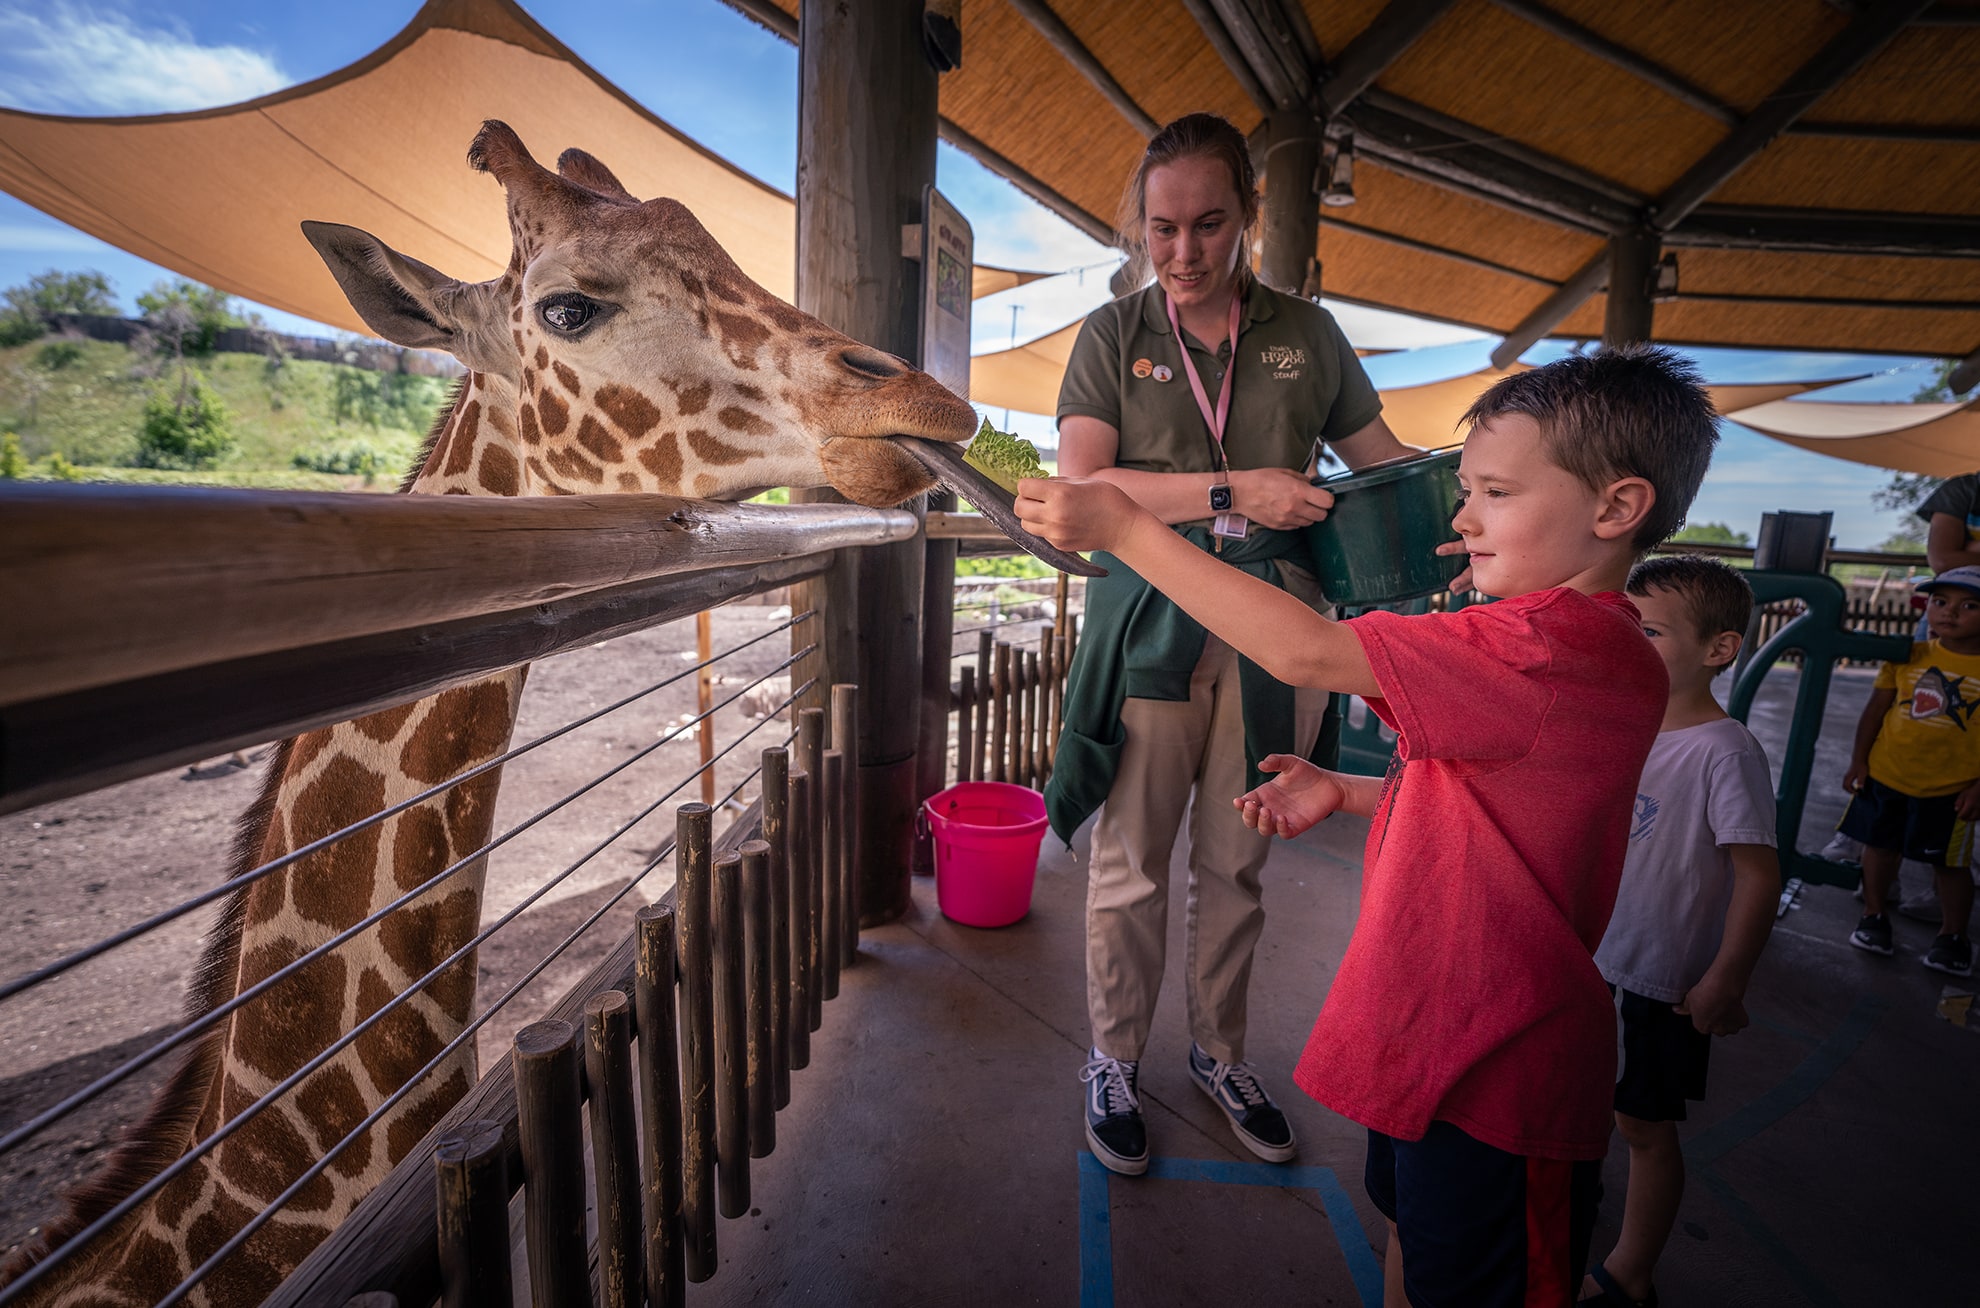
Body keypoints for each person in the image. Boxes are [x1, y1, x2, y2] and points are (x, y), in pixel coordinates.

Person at [1019, 345, 1719, 1307]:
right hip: (1440, 1038)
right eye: (1466, 491)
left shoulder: (1537, 646)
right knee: (1412, 1243)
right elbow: (1509, 812)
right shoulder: (1595, 651)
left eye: (1497, 494)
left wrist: (1129, 527)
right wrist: (1350, 793)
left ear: (1615, 509)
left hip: (1492, 1071)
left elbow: (1306, 651)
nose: (1463, 519)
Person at [1048, 111, 1415, 1176]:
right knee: (1131, 864)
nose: (1184, 254)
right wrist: (1234, 489)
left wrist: (1480, 498)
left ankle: (1219, 1052)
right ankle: (1114, 1059)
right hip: (1154, 625)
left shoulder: (1308, 333)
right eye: (1161, 230)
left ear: (1248, 218)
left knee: (1239, 858)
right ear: (1140, 227)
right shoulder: (1114, 336)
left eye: (1209, 226)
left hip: (1279, 634)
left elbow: (1385, 465)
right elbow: (1084, 490)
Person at [1580, 556, 1780, 1308]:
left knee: (1643, 1125)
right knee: (1580, 1100)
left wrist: (1725, 978)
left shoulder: (1723, 751)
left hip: (1657, 980)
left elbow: (1758, 875)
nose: (1629, 643)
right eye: (1622, 626)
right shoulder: (1619, 727)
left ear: (1719, 650)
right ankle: (1575, 1206)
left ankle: (1632, 1269)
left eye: (1651, 631)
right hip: (1590, 959)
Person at [1838, 566, 1980, 977]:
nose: (1949, 613)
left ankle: (1953, 937)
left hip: (1950, 791)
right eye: (1940, 602)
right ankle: (1874, 916)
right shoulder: (1909, 656)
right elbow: (1875, 711)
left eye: (1968, 605)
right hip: (1888, 775)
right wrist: (1859, 759)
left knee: (1949, 865)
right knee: (1879, 848)